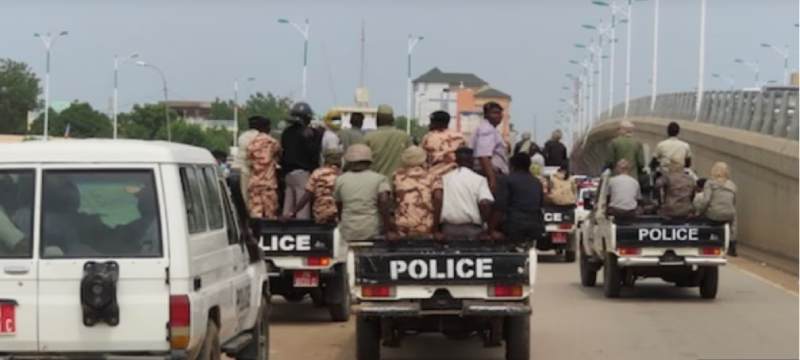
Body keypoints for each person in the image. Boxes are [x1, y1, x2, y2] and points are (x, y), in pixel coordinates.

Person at [334, 144, 393, 241]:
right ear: (369, 161)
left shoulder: (340, 180)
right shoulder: (380, 179)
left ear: (349, 161)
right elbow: (384, 201)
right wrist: (388, 229)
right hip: (371, 229)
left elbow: (339, 205)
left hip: (348, 229)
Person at [440, 147, 495, 241]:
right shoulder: (479, 180)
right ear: (472, 160)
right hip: (472, 230)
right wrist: (486, 225)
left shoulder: (445, 178)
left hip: (448, 229)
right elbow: (485, 204)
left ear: (456, 160)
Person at [281, 102, 323, 219]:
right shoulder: (308, 133)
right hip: (302, 174)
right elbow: (313, 153)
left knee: (287, 208)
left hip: (288, 174)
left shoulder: (286, 132)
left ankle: (283, 230)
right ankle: (301, 232)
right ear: (307, 118)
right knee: (302, 210)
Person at [390, 146, 443, 238]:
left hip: (403, 226)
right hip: (426, 226)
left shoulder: (397, 176)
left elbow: (393, 199)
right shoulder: (433, 176)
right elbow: (438, 198)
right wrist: (436, 229)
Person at [491, 153, 544, 243]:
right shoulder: (537, 182)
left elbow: (500, 207)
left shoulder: (507, 180)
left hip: (514, 227)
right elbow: (540, 204)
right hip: (535, 226)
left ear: (512, 166)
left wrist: (490, 229)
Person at [285, 149, 342, 224]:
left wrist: (293, 212)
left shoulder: (317, 173)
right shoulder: (342, 176)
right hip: (337, 214)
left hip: (320, 214)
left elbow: (307, 195)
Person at [694, 162, 738, 256]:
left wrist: (699, 212)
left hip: (714, 215)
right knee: (733, 216)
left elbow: (706, 200)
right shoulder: (732, 185)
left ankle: (703, 240)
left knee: (704, 214)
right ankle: (732, 243)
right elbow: (733, 202)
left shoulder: (710, 183)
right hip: (728, 215)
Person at [363, 104, 412, 177]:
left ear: (377, 120)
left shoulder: (368, 137)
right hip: (399, 183)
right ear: (392, 120)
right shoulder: (404, 136)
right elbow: (412, 159)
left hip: (376, 184)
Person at [248, 117, 282, 219]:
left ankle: (256, 234)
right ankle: (268, 235)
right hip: (268, 183)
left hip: (254, 182)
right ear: (266, 127)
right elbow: (278, 154)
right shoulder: (272, 142)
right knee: (270, 215)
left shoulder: (251, 143)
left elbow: (249, 159)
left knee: (255, 214)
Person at [472, 101, 509, 192]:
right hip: (491, 174)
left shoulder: (491, 129)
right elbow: (484, 155)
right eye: (494, 113)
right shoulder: (487, 129)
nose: (499, 116)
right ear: (486, 115)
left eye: (500, 113)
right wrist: (492, 180)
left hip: (492, 174)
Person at [420, 110, 466, 179]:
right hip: (455, 174)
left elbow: (421, 157)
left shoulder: (429, 137)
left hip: (435, 176)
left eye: (431, 121)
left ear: (436, 123)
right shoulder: (459, 136)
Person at [233, 116, 262, 206]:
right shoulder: (258, 136)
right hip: (246, 169)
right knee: (246, 199)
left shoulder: (242, 136)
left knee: (238, 196)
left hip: (236, 168)